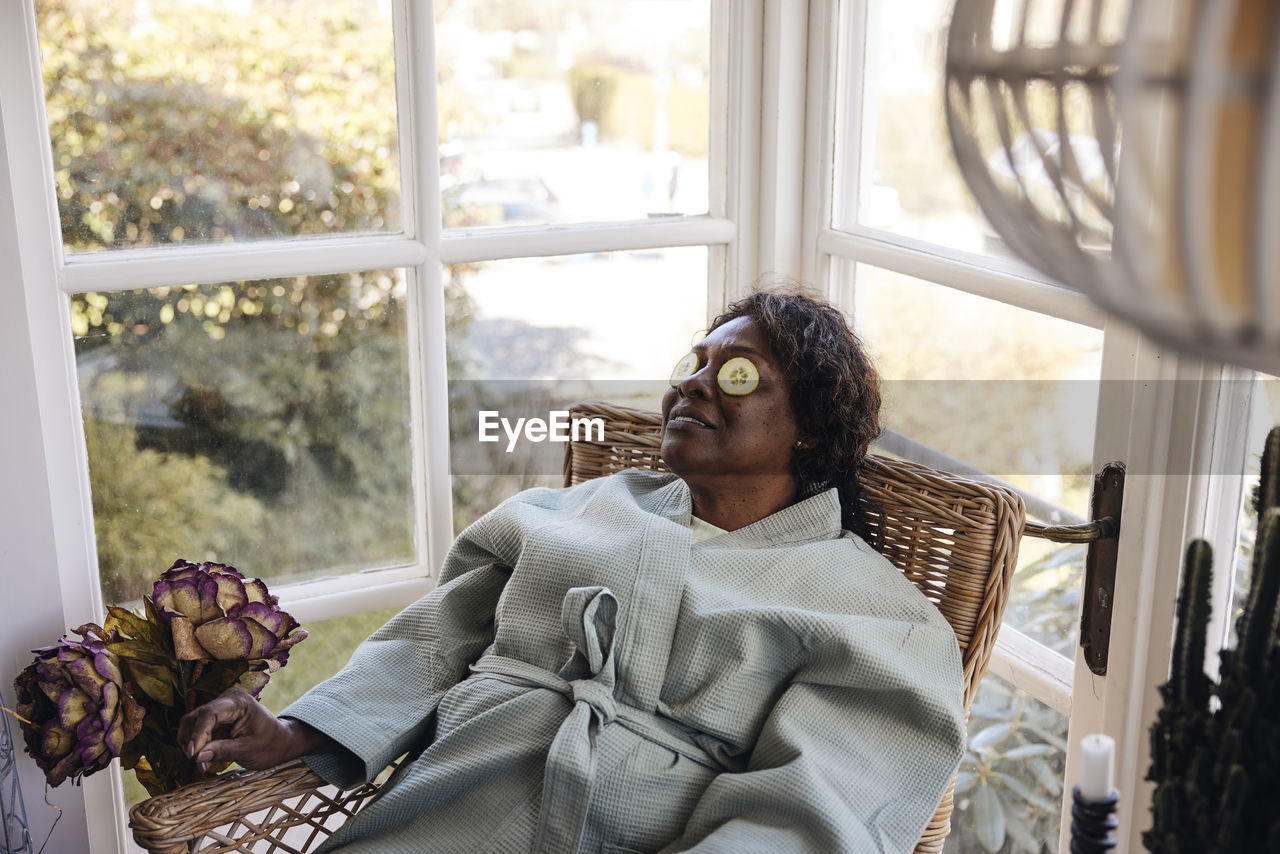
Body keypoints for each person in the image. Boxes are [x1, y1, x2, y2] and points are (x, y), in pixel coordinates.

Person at [180, 289, 967, 853]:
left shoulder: (875, 618)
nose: (691, 383)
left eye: (736, 375)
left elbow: (813, 809)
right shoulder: (569, 512)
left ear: (811, 427)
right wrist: (295, 733)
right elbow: (433, 643)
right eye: (694, 364)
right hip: (449, 811)